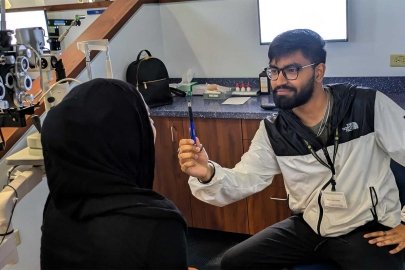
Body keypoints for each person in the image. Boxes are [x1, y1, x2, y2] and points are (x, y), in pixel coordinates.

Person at [177, 29, 405, 269]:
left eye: (292, 70)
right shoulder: (275, 129)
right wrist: (207, 173)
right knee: (234, 262)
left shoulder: (366, 105)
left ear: (319, 72)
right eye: (274, 71)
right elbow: (244, 179)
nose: (279, 80)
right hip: (311, 225)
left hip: (367, 227)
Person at [40, 78, 188, 269]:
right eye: (146, 120)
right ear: (126, 136)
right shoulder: (156, 222)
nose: (153, 127)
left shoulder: (57, 204)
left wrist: (208, 172)